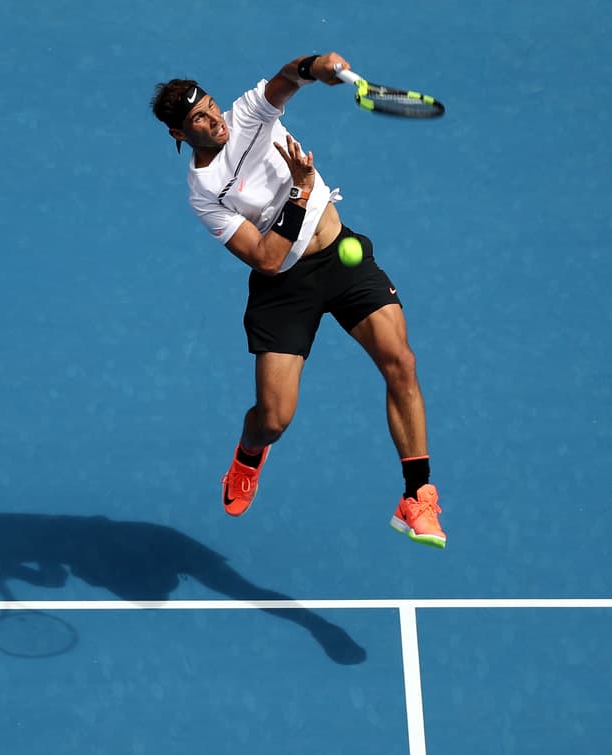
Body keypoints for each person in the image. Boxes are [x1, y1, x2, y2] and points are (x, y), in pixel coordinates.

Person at [150, 52, 446, 549]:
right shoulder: (203, 191)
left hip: (341, 260)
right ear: (179, 134)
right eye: (199, 119)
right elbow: (265, 259)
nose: (215, 119)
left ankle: (417, 496)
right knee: (273, 420)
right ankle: (247, 457)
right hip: (283, 288)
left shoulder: (247, 113)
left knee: (401, 362)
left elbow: (288, 78)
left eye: (212, 107)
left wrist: (317, 65)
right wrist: (301, 194)